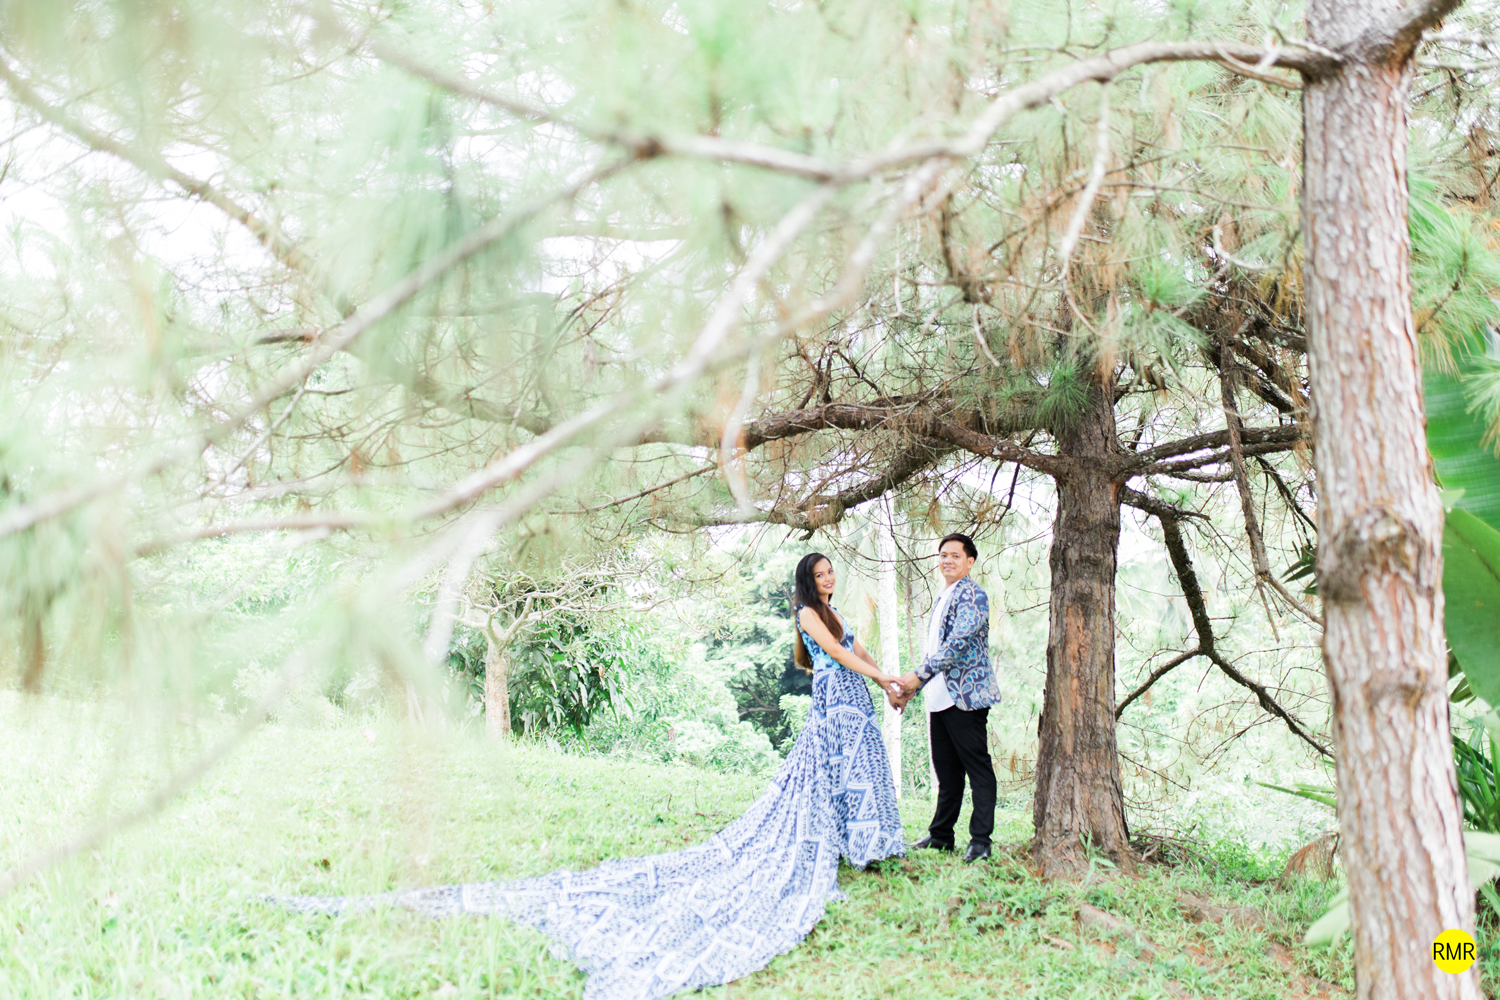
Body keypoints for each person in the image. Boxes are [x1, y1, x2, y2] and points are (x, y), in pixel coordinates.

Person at [268, 552, 905, 1000]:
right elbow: (837, 654)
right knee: (827, 780)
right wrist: (878, 675)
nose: (827, 580)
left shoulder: (836, 611)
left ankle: (865, 844)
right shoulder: (806, 616)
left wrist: (888, 681)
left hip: (857, 700)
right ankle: (834, 847)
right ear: (806, 582)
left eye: (829, 574)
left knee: (857, 775)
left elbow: (857, 647)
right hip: (834, 702)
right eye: (819, 574)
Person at [895, 532, 1001, 864]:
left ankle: (981, 841)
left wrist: (917, 676)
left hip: (965, 697)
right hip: (940, 697)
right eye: (943, 555)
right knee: (947, 772)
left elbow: (957, 644)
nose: (948, 560)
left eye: (955, 555)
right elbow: (936, 651)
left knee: (978, 769)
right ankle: (941, 836)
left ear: (970, 562)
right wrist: (914, 688)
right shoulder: (945, 595)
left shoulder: (972, 594)